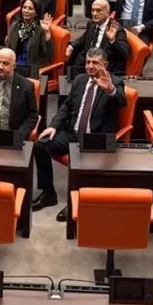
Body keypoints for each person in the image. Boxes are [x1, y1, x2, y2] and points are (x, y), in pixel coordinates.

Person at [32, 48, 125, 215]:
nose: (90, 66)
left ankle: (75, 201)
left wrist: (110, 89)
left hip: (95, 138)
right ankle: (48, 194)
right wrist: (53, 126)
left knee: (78, 159)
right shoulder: (80, 80)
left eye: (95, 63)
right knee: (40, 146)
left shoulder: (115, 81)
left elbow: (122, 100)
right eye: (88, 62)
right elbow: (67, 106)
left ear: (105, 65)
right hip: (73, 133)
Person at [68, 0, 129, 74]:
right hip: (86, 64)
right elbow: (84, 38)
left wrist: (112, 40)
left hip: (104, 69)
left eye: (98, 10)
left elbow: (125, 53)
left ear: (107, 12)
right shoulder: (91, 23)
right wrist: (71, 47)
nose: (94, 14)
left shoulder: (117, 29)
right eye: (93, 10)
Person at [5, 0, 54, 71]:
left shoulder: (41, 28)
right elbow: (8, 47)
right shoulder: (15, 26)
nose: (26, 11)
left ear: (36, 12)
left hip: (32, 67)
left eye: (30, 9)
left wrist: (47, 32)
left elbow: (48, 52)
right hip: (14, 65)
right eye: (24, 7)